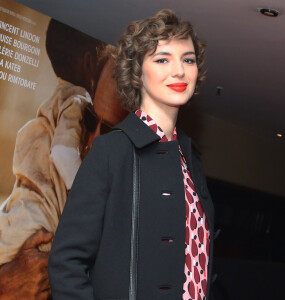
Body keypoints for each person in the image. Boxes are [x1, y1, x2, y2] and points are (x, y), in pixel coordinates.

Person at [48, 9, 215, 300]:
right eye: (163, 59)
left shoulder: (191, 159)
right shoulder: (112, 150)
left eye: (187, 59)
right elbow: (66, 263)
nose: (179, 70)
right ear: (137, 72)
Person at [0, 19, 107, 299]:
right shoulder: (78, 100)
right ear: (89, 61)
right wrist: (82, 191)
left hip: (17, 214)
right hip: (37, 225)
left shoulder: (50, 103)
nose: (94, 139)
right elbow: (62, 152)